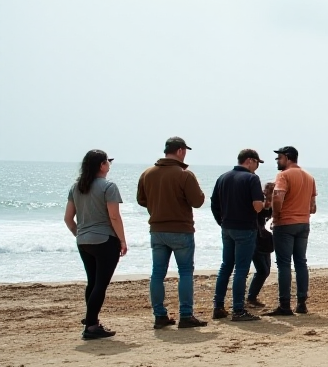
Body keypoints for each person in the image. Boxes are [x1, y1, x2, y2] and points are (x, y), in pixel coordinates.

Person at [137, 136, 208, 329]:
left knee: (157, 273)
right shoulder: (184, 175)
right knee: (185, 272)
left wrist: (158, 204)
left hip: (157, 229)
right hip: (181, 229)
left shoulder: (147, 173)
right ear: (180, 151)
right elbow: (198, 201)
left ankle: (159, 315)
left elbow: (141, 200)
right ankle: (186, 315)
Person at [63, 150, 128, 340]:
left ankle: (92, 321)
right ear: (101, 165)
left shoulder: (76, 187)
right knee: (101, 283)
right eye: (108, 162)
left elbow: (68, 218)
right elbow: (114, 216)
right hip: (105, 240)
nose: (109, 165)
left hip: (83, 241)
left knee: (92, 282)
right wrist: (122, 240)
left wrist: (80, 233)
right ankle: (91, 325)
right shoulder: (109, 186)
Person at [211, 149, 265, 322]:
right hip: (245, 228)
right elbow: (257, 206)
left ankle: (218, 306)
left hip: (227, 227)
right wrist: (263, 205)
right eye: (257, 163)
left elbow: (214, 203)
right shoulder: (251, 178)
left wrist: (221, 221)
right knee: (241, 269)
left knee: (226, 266)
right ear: (250, 161)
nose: (257, 167)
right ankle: (238, 309)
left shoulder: (223, 177)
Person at [267, 146, 317, 316]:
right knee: (301, 262)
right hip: (303, 224)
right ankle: (301, 302)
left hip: (286, 224)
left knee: (283, 264)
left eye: (279, 158)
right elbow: (313, 207)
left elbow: (277, 197)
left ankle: (285, 304)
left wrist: (275, 216)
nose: (277, 161)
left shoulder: (284, 175)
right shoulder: (309, 177)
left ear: (288, 158)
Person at [246, 182, 275, 308]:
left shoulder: (272, 207)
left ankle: (252, 296)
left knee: (265, 270)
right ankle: (250, 297)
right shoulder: (259, 206)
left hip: (266, 241)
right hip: (256, 241)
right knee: (262, 270)